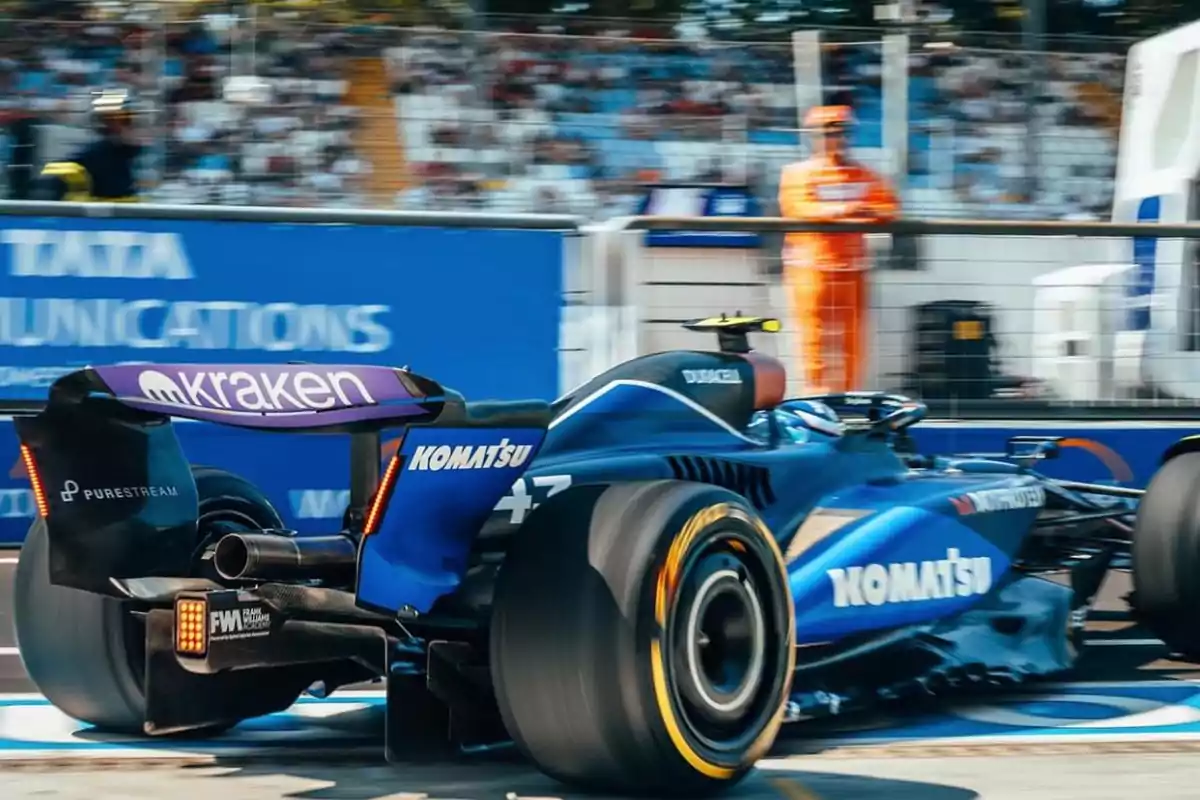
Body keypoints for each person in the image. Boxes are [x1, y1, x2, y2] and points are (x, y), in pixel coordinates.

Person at [778, 105, 899, 393]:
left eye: (842, 132)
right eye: (829, 132)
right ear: (814, 136)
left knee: (852, 338)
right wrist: (847, 209)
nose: (837, 139)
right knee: (813, 336)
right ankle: (815, 395)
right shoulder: (798, 174)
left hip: (853, 267)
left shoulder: (863, 175)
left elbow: (889, 206)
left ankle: (848, 395)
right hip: (810, 268)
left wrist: (865, 210)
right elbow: (798, 208)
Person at [36, 90, 141, 203]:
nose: (133, 127)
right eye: (126, 121)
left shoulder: (128, 155)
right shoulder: (91, 157)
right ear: (107, 122)